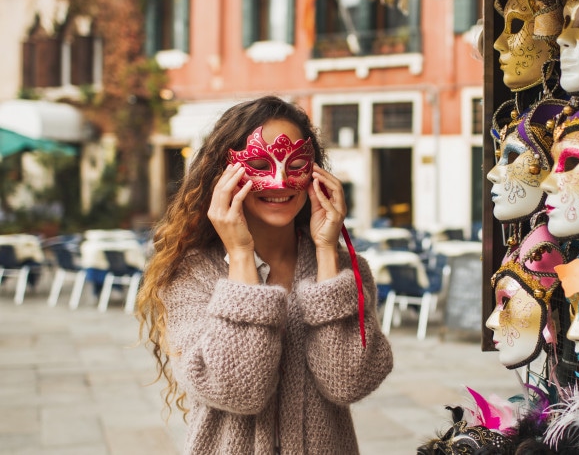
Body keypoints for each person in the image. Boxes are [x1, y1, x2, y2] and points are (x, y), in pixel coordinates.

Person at [135, 96, 393, 454]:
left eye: (296, 164)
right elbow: (237, 391)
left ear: (315, 172)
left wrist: (325, 254)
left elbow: (349, 381)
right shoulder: (192, 275)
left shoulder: (345, 268)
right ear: (223, 176)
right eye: (258, 163)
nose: (279, 180)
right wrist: (240, 256)